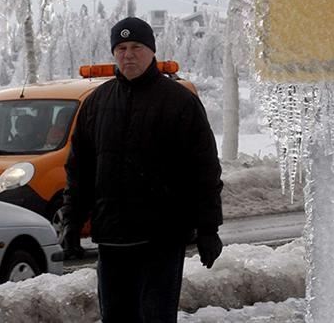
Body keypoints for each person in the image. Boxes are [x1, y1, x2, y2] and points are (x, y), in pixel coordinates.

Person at [62, 17, 223, 322]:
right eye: (121, 48)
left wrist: (208, 228)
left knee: (155, 318)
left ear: (152, 51)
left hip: (160, 238)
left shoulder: (179, 102)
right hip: (111, 239)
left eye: (136, 46)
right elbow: (79, 170)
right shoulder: (96, 104)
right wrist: (72, 223)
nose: (128, 54)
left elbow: (203, 170)